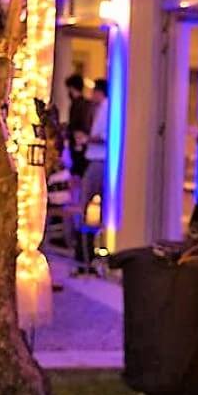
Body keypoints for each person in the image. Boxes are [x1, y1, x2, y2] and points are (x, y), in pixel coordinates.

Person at [74, 78, 108, 275]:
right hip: (96, 158)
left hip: (98, 159)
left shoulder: (106, 108)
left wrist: (86, 139)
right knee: (89, 207)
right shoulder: (98, 109)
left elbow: (104, 136)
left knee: (85, 205)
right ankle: (87, 253)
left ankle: (86, 254)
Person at [65, 73, 92, 180]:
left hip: (78, 142)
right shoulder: (85, 104)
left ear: (72, 88)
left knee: (77, 172)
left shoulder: (78, 104)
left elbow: (77, 125)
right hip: (81, 142)